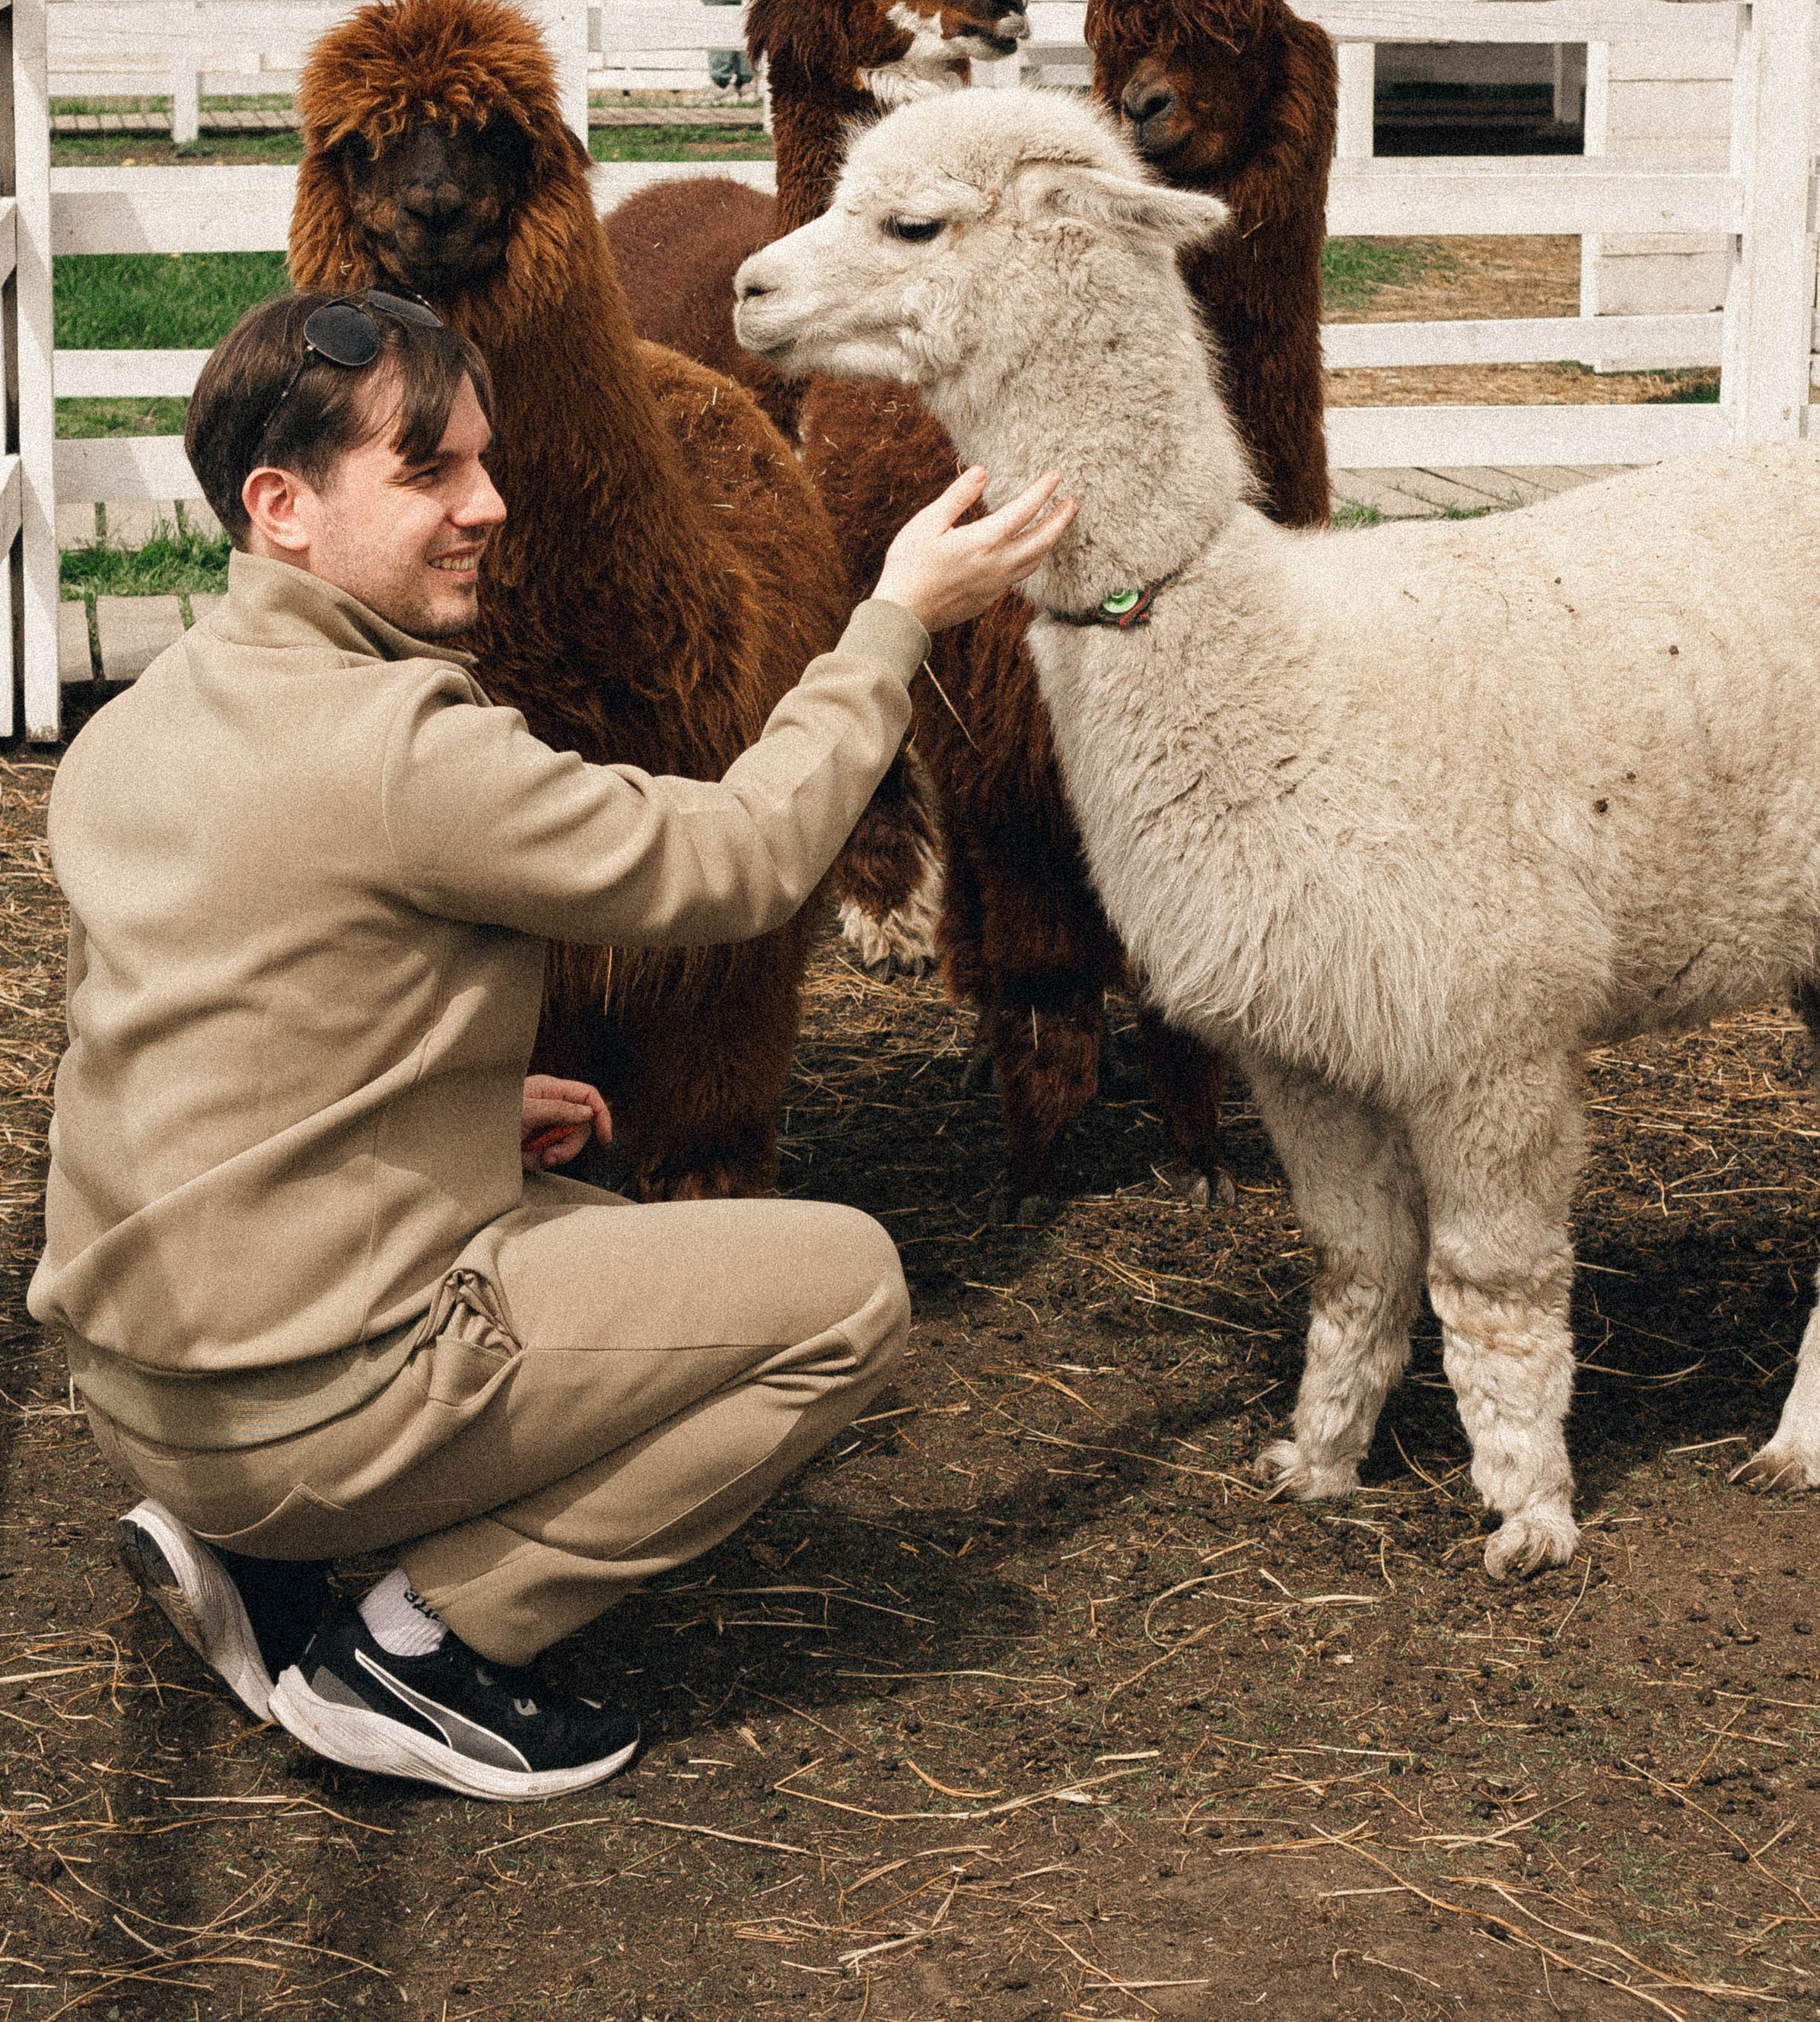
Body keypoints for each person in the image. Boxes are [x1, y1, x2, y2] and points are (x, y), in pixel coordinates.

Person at [31, 288, 1074, 1801]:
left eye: (482, 460)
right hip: (291, 1414)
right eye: (429, 471)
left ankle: (252, 1553)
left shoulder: (136, 727)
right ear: (282, 507)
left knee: (570, 1206)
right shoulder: (404, 748)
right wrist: (895, 619)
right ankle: (425, 1645)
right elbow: (743, 858)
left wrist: (446, 1093)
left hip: (138, 1390)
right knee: (847, 1290)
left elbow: (167, 1035)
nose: (487, 504)